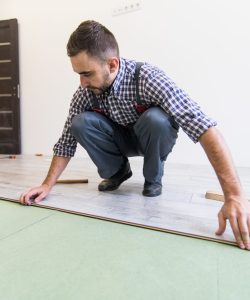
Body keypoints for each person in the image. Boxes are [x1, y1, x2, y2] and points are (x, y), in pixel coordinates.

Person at [20, 20, 250, 249]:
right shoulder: (85, 92)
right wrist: (47, 185)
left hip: (152, 137)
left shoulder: (147, 78)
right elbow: (66, 142)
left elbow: (203, 127)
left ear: (112, 64)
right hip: (121, 141)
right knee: (79, 123)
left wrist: (234, 196)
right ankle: (118, 172)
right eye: (78, 74)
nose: (82, 83)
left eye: (87, 74)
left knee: (156, 119)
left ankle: (153, 177)